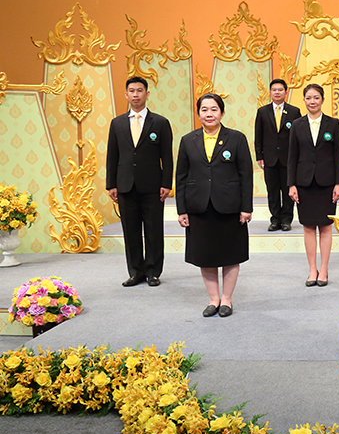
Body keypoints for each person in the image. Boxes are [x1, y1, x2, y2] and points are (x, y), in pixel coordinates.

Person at [176, 93, 253, 317]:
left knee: (230, 255)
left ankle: (227, 299)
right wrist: (182, 209)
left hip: (229, 206)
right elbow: (181, 176)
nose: (209, 114)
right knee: (205, 256)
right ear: (198, 113)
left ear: (221, 112)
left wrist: (246, 207)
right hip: (198, 206)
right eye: (204, 110)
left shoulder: (236, 138)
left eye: (213, 109)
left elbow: (245, 175)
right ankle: (213, 299)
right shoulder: (188, 140)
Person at [106, 76, 173, 288]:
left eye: (140, 90)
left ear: (147, 94)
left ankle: (153, 272)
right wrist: (111, 184)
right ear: (126, 94)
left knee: (154, 230)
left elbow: (167, 157)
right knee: (131, 231)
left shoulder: (160, 123)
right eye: (132, 91)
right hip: (125, 186)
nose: (136, 95)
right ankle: (135, 272)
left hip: (153, 186)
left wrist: (166, 183)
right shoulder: (117, 123)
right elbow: (112, 156)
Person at [288, 84, 339, 287]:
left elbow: (338, 155)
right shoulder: (296, 125)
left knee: (326, 227)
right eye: (309, 98)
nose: (312, 101)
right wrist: (291, 184)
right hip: (303, 182)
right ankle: (312, 269)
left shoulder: (333, 124)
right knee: (309, 227)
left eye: (316, 98)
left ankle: (325, 269)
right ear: (304, 100)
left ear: (322, 100)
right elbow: (292, 156)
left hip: (327, 183)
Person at [254, 78, 301, 231]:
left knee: (288, 191)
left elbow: (298, 137)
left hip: (289, 159)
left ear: (286, 92)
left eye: (280, 90)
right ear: (270, 92)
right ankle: (275, 219)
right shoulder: (262, 111)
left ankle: (286, 220)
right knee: (272, 191)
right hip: (269, 158)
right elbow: (258, 136)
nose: (277, 92)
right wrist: (259, 156)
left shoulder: (294, 111)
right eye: (274, 90)